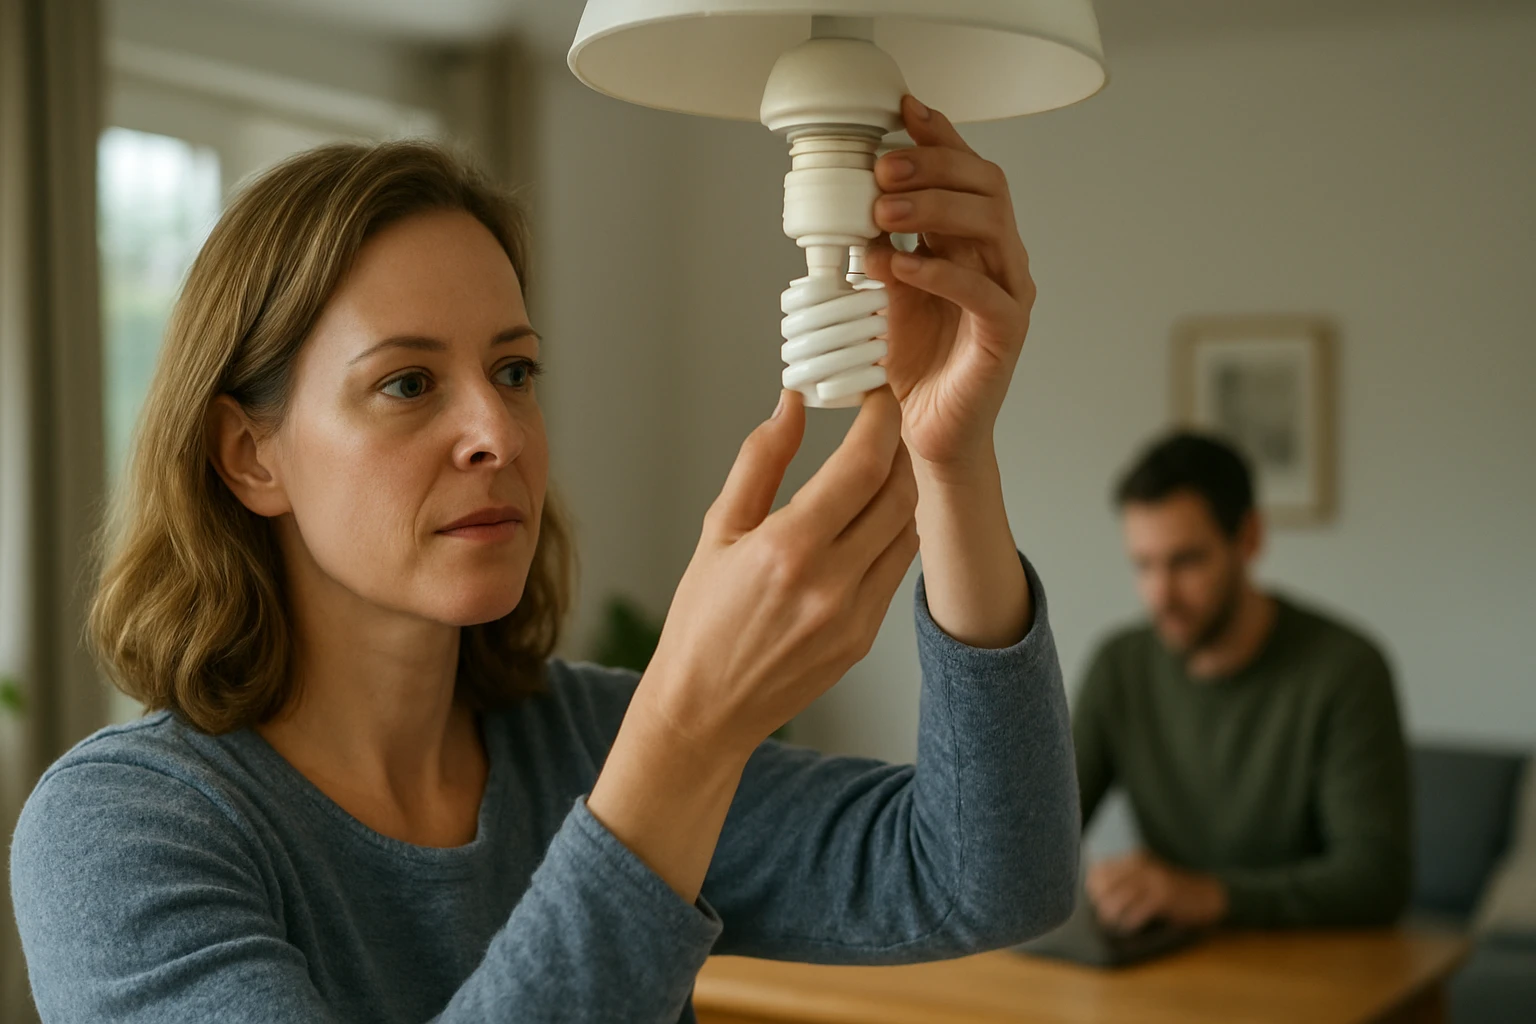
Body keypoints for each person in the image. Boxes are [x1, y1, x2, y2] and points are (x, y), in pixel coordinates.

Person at [10, 96, 1080, 1024]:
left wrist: (952, 454)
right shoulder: (120, 831)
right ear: (250, 455)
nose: (499, 433)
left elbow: (991, 874)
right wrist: (686, 738)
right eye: (407, 384)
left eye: (514, 369)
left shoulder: (582, 742)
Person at [1074, 431, 1411, 933]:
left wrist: (1206, 896)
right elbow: (1047, 827)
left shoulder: (1346, 669)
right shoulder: (1118, 666)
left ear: (1250, 538)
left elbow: (1375, 880)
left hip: (1316, 965)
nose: (1160, 595)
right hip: (1167, 963)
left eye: (1186, 561)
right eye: (1143, 565)